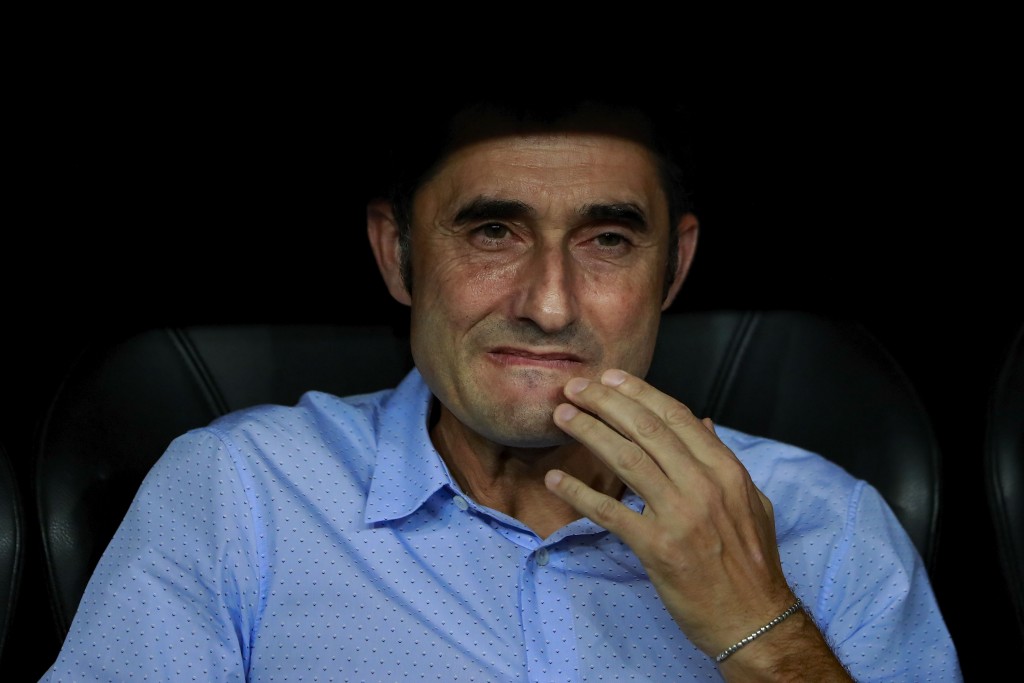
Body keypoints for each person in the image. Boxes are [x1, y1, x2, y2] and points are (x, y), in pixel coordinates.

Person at [40, 96, 962, 681]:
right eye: (493, 233)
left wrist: (762, 631)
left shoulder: (827, 526)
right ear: (396, 252)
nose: (551, 304)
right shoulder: (236, 493)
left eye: (607, 239)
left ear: (674, 266)